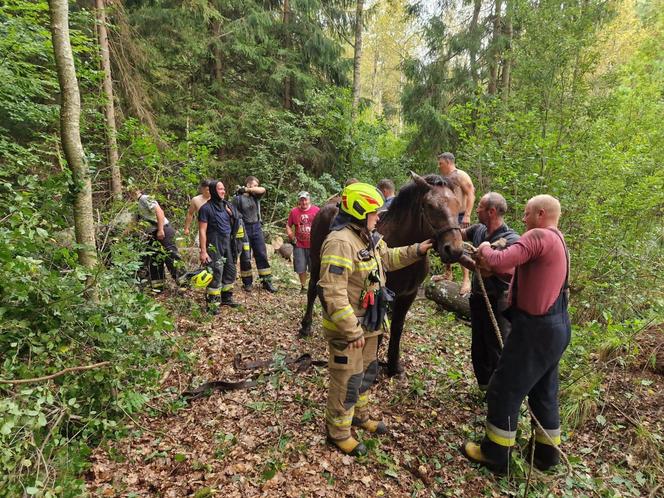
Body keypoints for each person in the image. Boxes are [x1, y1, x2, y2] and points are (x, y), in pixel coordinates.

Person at [318, 182, 433, 456]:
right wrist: (351, 330)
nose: (379, 217)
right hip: (350, 328)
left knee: (367, 371)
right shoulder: (340, 242)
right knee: (346, 377)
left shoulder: (368, 237)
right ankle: (339, 431)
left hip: (370, 323)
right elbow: (332, 292)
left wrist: (418, 249)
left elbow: (389, 259)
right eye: (374, 213)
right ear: (359, 212)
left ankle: (360, 414)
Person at [461, 195, 571, 474]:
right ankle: (546, 456)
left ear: (541, 214)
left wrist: (485, 247)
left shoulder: (538, 236)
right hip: (556, 327)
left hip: (534, 329)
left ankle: (495, 454)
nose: (523, 220)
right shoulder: (558, 240)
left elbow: (501, 260)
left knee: (503, 387)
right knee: (544, 392)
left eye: (527, 213)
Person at [461, 193, 520, 390]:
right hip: (478, 298)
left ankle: (500, 391)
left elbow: (492, 269)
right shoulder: (478, 230)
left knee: (497, 345)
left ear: (491, 211)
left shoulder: (511, 239)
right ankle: (485, 386)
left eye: (479, 207)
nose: (476, 210)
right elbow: (459, 235)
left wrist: (470, 260)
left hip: (498, 301)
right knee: (478, 344)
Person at [198, 181, 242, 313]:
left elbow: (237, 218)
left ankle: (226, 298)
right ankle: (212, 304)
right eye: (220, 189)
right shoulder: (205, 208)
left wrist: (231, 214)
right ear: (212, 191)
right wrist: (203, 251)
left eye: (224, 189)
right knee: (216, 271)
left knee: (230, 270)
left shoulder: (226, 205)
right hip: (214, 243)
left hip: (227, 242)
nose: (223, 191)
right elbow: (202, 231)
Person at [438, 152, 475, 295]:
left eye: (440, 163)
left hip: (460, 216)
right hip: (449, 217)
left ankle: (466, 279)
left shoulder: (460, 175)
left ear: (448, 162)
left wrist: (467, 215)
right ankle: (448, 273)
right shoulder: (445, 178)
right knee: (445, 244)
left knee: (459, 246)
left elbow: (471, 193)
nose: (439, 166)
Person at [232, 176, 277, 293]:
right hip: (244, 229)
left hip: (256, 227)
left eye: (257, 185)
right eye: (254, 185)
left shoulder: (255, 195)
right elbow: (234, 216)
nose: (256, 188)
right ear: (248, 184)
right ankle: (247, 283)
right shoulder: (237, 198)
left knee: (262, 254)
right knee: (245, 257)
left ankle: (266, 281)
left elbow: (263, 190)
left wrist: (248, 190)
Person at [134, 188, 183, 292]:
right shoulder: (135, 205)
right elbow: (133, 224)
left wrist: (160, 230)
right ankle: (158, 287)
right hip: (151, 234)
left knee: (171, 257)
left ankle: (183, 282)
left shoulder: (144, 198)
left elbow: (159, 212)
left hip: (162, 229)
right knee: (154, 259)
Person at [286, 191, 320, 293]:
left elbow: (322, 225)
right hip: (299, 244)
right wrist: (291, 236)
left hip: (313, 244)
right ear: (299, 201)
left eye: (305, 199)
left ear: (309, 200)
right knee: (300, 267)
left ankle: (313, 286)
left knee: (314, 266)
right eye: (301, 200)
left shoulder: (317, 210)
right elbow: (288, 225)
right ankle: (304, 287)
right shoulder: (294, 211)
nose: (303, 202)